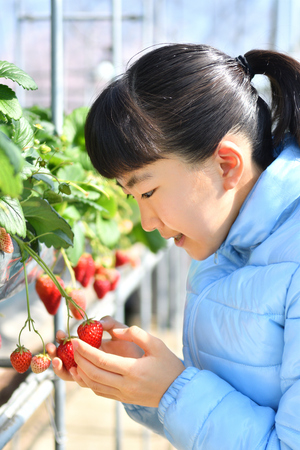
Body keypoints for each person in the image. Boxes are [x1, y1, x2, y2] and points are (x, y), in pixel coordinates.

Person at [47, 44, 300, 449]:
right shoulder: (221, 242)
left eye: (147, 192)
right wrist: (141, 383)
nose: (146, 223)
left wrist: (173, 390)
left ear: (226, 165)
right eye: (133, 199)